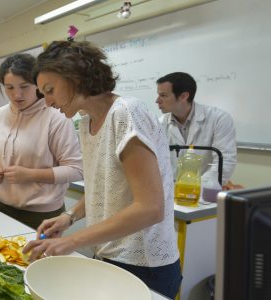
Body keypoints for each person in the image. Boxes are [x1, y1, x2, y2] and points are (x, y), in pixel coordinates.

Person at [24, 40, 181, 299]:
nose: (48, 102)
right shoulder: (85, 123)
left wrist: (72, 240)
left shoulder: (127, 113)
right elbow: (103, 187)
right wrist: (70, 216)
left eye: (50, 90)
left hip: (145, 265)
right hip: (108, 255)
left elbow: (151, 208)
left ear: (75, 77)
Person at [0, 53, 84, 229]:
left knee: (36, 257)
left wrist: (30, 175)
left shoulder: (56, 117)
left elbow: (76, 169)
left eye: (24, 86)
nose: (17, 95)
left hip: (41, 214)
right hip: (0, 207)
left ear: (38, 84)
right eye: (9, 88)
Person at [156, 72, 237, 187]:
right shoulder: (159, 124)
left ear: (184, 96)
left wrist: (195, 188)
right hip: (170, 193)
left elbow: (224, 162)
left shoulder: (218, 119)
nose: (157, 100)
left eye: (163, 95)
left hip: (204, 194)